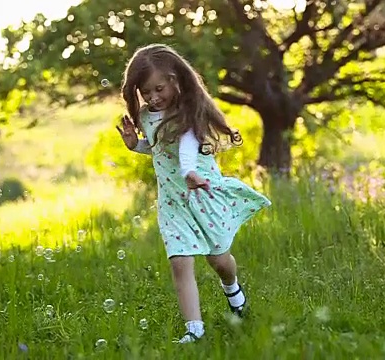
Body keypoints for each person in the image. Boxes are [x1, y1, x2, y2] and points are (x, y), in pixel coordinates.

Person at [115, 44, 271, 344]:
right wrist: (136, 144)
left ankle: (233, 289)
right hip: (173, 201)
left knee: (219, 260)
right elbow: (160, 148)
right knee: (179, 262)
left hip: (201, 191)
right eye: (145, 92)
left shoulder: (188, 112)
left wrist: (188, 172)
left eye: (158, 88)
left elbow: (186, 148)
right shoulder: (148, 117)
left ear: (175, 80)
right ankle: (195, 331)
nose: (152, 97)